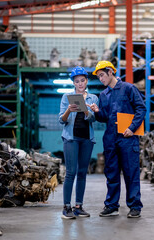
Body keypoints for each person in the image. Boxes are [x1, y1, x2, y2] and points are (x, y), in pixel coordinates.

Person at [89, 61, 146, 218]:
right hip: (111, 138)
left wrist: (132, 128)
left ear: (110, 72)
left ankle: (135, 206)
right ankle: (112, 205)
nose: (101, 79)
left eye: (102, 75)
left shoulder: (128, 88)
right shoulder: (103, 95)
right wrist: (97, 111)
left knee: (131, 173)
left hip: (128, 138)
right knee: (111, 173)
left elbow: (141, 108)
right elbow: (104, 118)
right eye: (98, 76)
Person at [58, 66, 98, 219]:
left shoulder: (93, 98)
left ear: (87, 81)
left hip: (87, 139)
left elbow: (95, 119)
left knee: (82, 172)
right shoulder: (66, 97)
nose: (80, 84)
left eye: (82, 80)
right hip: (71, 139)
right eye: (77, 81)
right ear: (73, 83)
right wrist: (69, 110)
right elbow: (61, 120)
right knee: (70, 173)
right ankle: (66, 207)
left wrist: (87, 111)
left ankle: (78, 206)